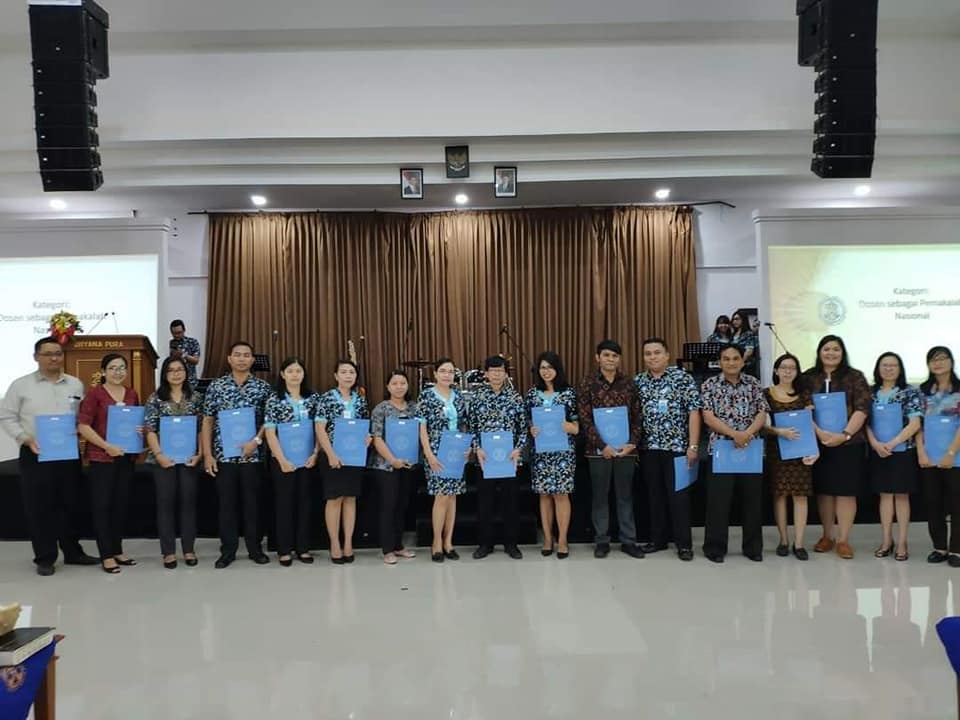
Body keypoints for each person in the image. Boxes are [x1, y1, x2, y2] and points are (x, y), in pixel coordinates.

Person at [0, 337, 98, 576]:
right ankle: (45, 557)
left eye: (58, 353)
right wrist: (25, 438)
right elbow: (6, 416)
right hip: (35, 452)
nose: (54, 358)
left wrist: (79, 428)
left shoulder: (75, 384)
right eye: (48, 354)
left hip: (67, 453)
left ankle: (73, 552)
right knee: (39, 507)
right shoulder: (20, 385)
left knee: (70, 504)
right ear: (36, 357)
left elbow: (82, 416)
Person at [201, 340, 273, 569]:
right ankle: (228, 550)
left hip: (253, 455)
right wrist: (208, 455)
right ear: (229, 359)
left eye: (246, 355)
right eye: (237, 354)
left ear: (252, 360)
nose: (242, 358)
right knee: (227, 505)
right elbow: (207, 421)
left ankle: (255, 548)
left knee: (253, 504)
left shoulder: (263, 387)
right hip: (224, 456)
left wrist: (256, 441)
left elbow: (269, 420)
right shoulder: (216, 386)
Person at [802, 334, 871, 560]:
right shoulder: (808, 377)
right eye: (826, 349)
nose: (831, 353)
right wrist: (820, 433)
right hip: (819, 442)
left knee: (846, 492)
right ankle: (827, 536)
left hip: (849, 443)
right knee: (825, 492)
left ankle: (843, 539)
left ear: (842, 353)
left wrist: (845, 435)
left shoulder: (855, 377)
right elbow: (803, 407)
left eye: (835, 349)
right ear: (819, 352)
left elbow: (862, 408)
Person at [634, 338, 702, 562]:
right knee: (654, 496)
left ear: (667, 355)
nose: (652, 357)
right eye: (648, 353)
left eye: (657, 352)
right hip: (649, 448)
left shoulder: (682, 378)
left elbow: (694, 412)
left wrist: (693, 445)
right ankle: (658, 539)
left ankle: (684, 544)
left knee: (679, 497)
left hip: (677, 448)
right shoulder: (638, 381)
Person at [700, 344, 769, 563]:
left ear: (742, 361)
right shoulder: (709, 384)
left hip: (750, 448)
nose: (731, 362)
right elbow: (708, 416)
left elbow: (762, 412)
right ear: (720, 362)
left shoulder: (753, 383)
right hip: (721, 448)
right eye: (726, 358)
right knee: (718, 501)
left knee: (752, 500)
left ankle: (753, 548)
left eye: (735, 358)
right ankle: (715, 548)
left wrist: (746, 434)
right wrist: (734, 434)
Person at [577, 339, 644, 559]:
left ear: (619, 359)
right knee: (600, 496)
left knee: (625, 496)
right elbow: (585, 419)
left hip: (626, 450)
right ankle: (602, 541)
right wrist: (602, 445)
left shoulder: (629, 383)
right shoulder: (587, 383)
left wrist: (632, 442)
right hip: (597, 452)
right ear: (598, 358)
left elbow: (637, 416)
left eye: (614, 356)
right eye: (606, 355)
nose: (610, 359)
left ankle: (629, 541)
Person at [77, 352, 141, 574]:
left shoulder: (132, 394)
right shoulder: (95, 394)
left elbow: (136, 421)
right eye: (113, 368)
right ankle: (106, 554)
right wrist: (106, 446)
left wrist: (139, 429)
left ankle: (117, 549)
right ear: (103, 371)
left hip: (125, 457)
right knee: (102, 506)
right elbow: (83, 426)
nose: (118, 372)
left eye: (122, 367)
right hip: (101, 458)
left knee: (120, 505)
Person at [144, 356, 203, 569]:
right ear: (164, 374)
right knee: (165, 504)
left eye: (180, 369)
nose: (176, 373)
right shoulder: (155, 398)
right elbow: (150, 429)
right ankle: (168, 552)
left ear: (186, 372)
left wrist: (200, 453)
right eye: (171, 370)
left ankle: (188, 549)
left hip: (189, 459)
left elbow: (201, 429)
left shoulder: (196, 397)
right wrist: (159, 454)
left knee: (188, 503)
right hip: (163, 459)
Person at [263, 356, 321, 567]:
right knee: (284, 504)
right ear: (282, 374)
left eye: (298, 371)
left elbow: (319, 429)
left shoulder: (313, 398)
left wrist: (315, 454)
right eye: (290, 371)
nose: (295, 375)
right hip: (283, 461)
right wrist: (282, 460)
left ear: (304, 374)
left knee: (305, 503)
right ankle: (284, 549)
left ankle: (303, 548)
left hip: (308, 460)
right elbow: (270, 432)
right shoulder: (274, 399)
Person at [470, 356, 529, 560]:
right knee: (484, 503)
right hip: (485, 459)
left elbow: (523, 428)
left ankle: (511, 544)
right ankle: (485, 544)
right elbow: (471, 427)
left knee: (510, 503)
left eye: (500, 370)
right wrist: (477, 448)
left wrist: (518, 449)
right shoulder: (477, 397)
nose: (496, 374)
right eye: (493, 371)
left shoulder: (515, 397)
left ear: (506, 373)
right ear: (486, 374)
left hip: (509, 459)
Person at [866, 352, 922, 561]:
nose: (888, 369)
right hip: (878, 451)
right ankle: (886, 540)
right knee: (885, 496)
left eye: (893, 365)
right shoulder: (871, 393)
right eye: (885, 365)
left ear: (900, 369)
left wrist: (892, 443)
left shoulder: (910, 392)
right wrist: (875, 443)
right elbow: (865, 423)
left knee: (901, 496)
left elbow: (915, 424)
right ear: (878, 368)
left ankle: (902, 542)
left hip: (902, 451)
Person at [315, 359, 370, 564]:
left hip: (354, 457)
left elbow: (364, 426)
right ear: (336, 376)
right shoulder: (327, 398)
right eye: (344, 372)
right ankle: (334, 543)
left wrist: (368, 438)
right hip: (333, 456)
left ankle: (348, 542)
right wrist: (330, 454)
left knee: (350, 499)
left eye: (351, 372)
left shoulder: (360, 399)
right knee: (334, 499)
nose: (348, 375)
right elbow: (320, 428)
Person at [763, 353, 817, 561]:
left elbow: (810, 423)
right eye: (783, 367)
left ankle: (799, 543)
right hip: (777, 450)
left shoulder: (804, 395)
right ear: (776, 371)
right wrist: (779, 431)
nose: (787, 371)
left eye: (792, 368)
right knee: (780, 495)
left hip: (801, 451)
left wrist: (814, 450)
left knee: (800, 496)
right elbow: (762, 425)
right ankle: (783, 541)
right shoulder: (766, 394)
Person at [525, 351, 578, 559]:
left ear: (558, 369)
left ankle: (562, 539)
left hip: (563, 452)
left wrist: (571, 427)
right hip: (541, 453)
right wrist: (531, 429)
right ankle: (548, 538)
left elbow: (578, 425)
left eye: (550, 367)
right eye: (542, 368)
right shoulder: (532, 394)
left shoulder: (569, 393)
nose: (546, 371)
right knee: (544, 495)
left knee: (561, 494)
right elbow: (527, 421)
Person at [418, 357, 470, 562]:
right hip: (436, 453)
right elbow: (422, 428)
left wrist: (467, 449)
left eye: (450, 371)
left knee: (452, 497)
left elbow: (464, 425)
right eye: (443, 371)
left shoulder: (458, 397)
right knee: (441, 496)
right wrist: (429, 454)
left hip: (456, 453)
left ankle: (449, 541)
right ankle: (436, 542)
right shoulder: (426, 396)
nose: (447, 375)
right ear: (435, 374)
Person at [368, 369, 420, 565]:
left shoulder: (414, 408)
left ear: (408, 386)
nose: (399, 387)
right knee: (388, 505)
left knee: (402, 505)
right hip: (385, 466)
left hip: (408, 464)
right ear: (388, 386)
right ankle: (387, 549)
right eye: (395, 383)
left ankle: (398, 545)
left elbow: (420, 434)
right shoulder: (380, 409)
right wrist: (392, 459)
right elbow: (376, 438)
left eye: (402, 383)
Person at [915, 346, 960, 566]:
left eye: (942, 358)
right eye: (933, 360)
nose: (938, 363)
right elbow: (917, 424)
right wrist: (921, 451)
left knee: (957, 505)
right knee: (933, 504)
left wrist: (951, 453)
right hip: (929, 458)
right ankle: (939, 547)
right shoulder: (923, 391)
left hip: (956, 457)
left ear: (951, 362)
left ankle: (957, 550)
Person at [169, 319, 201, 387]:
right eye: (174, 333)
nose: (177, 335)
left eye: (179, 332)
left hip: (190, 381)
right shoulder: (171, 343)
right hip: (175, 380)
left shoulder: (192, 342)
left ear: (184, 330)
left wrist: (183, 354)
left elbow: (196, 360)